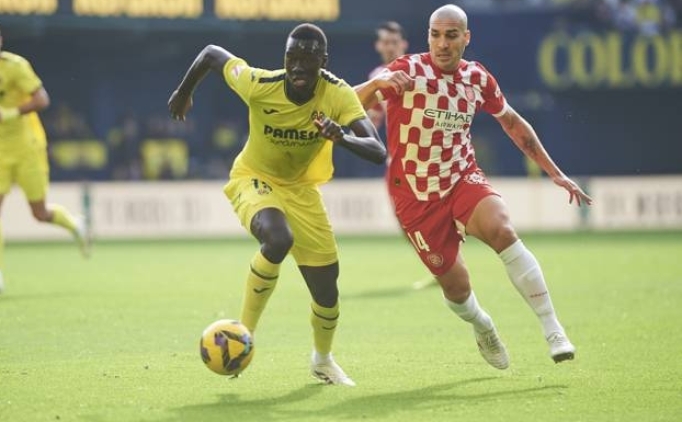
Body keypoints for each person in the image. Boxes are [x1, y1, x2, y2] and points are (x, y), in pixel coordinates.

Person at [354, 5, 592, 369]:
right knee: (457, 289)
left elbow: (512, 122)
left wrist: (554, 172)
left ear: (466, 38)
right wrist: (375, 85)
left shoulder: (477, 79)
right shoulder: (407, 70)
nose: (442, 44)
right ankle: (483, 325)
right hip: (415, 195)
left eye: (451, 35)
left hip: (461, 177)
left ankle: (554, 330)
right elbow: (349, 102)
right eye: (435, 35)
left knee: (502, 229)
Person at [168, 23, 386, 386]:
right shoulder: (258, 84)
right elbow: (210, 53)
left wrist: (341, 136)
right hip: (254, 178)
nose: (299, 67)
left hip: (302, 190)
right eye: (292, 58)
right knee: (277, 238)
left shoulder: (338, 94)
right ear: (285, 58)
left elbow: (378, 152)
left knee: (327, 291)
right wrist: (183, 91)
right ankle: (242, 337)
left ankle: (322, 359)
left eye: (308, 59)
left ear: (323, 61)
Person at [0, 27, 90, 293]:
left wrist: (11, 113)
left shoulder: (15, 66)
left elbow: (42, 99)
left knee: (39, 213)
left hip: (28, 148)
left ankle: (75, 224)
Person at [367, 21, 409, 131]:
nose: (390, 48)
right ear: (378, 45)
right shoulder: (376, 76)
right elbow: (373, 118)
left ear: (404, 44)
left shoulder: (419, 68)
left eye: (395, 42)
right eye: (386, 42)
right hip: (398, 146)